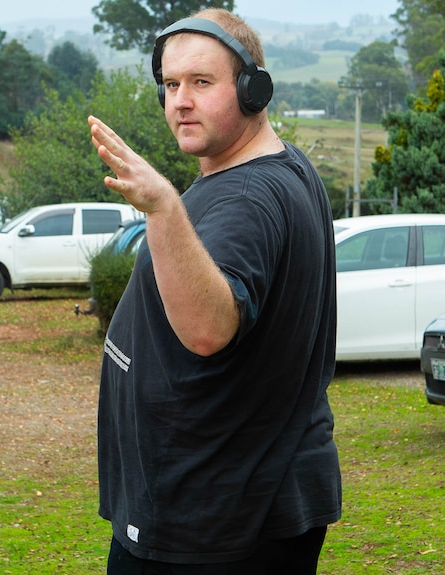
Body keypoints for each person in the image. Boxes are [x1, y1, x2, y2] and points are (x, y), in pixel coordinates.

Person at [88, 8, 341, 574]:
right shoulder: (283, 168)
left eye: (201, 82)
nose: (180, 100)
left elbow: (209, 328)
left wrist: (162, 207)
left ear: (253, 89)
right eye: (171, 85)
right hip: (241, 496)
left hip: (213, 517)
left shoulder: (243, 199)